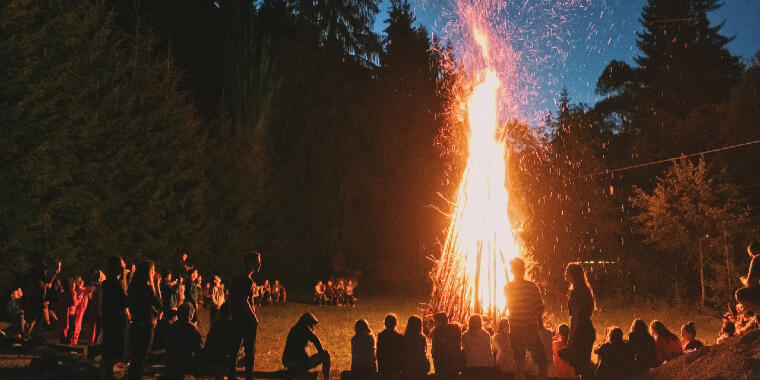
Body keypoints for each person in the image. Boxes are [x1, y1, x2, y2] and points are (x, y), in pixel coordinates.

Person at [505, 258, 547, 380]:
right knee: (542, 361)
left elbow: (511, 307)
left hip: (515, 329)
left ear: (512, 270)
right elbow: (539, 308)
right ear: (523, 270)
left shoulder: (508, 287)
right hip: (529, 329)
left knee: (519, 361)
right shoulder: (532, 287)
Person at [557, 262, 595, 380]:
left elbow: (576, 318)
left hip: (580, 333)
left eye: (567, 271)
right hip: (588, 330)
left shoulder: (576, 293)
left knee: (582, 366)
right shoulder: (585, 290)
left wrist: (570, 339)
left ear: (572, 274)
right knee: (584, 365)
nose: (565, 273)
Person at [228, 251, 262, 380]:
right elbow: (244, 301)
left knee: (234, 349)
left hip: (236, 319)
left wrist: (232, 315)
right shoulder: (248, 281)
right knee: (249, 351)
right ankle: (249, 377)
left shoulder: (236, 279)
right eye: (257, 261)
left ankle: (231, 375)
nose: (260, 264)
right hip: (246, 321)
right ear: (250, 263)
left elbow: (231, 299)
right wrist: (254, 318)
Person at [127, 260, 162, 380]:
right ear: (148, 273)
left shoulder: (133, 287)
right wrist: (156, 285)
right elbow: (159, 303)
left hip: (135, 324)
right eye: (153, 271)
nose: (154, 274)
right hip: (146, 326)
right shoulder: (147, 289)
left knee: (136, 358)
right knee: (141, 359)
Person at [101, 256, 130, 380]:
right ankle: (108, 375)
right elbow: (123, 301)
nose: (124, 268)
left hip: (110, 320)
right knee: (113, 350)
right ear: (114, 267)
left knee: (110, 350)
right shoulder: (114, 283)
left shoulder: (109, 282)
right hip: (114, 321)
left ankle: (107, 374)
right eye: (121, 266)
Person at [282, 313, 331, 379]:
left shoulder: (294, 329)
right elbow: (315, 339)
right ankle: (326, 378)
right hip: (301, 363)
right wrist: (321, 352)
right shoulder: (304, 328)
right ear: (309, 323)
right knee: (326, 355)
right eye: (313, 325)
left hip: (289, 362)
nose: (313, 328)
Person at [165, 302, 203, 380]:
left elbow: (168, 344)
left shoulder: (173, 326)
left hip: (173, 360)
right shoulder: (193, 329)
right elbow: (199, 347)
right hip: (188, 361)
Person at [204, 302, 238, 378]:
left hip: (216, 356)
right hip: (228, 357)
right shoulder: (233, 325)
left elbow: (209, 342)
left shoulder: (215, 324)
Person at [430, 312, 463, 378]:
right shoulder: (455, 329)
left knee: (434, 352)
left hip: (442, 366)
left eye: (435, 321)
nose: (434, 324)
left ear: (440, 321)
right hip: (455, 365)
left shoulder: (437, 331)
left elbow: (436, 350)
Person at [377, 313, 404, 377]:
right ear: (396, 323)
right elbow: (401, 353)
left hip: (384, 365)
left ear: (385, 323)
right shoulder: (399, 336)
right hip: (395, 366)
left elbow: (379, 353)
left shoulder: (381, 335)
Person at [736, 242, 760, 314]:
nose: (752, 257)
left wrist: (744, 280)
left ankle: (756, 312)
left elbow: (751, 283)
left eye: (751, 255)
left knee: (740, 294)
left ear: (755, 251)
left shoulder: (757, 258)